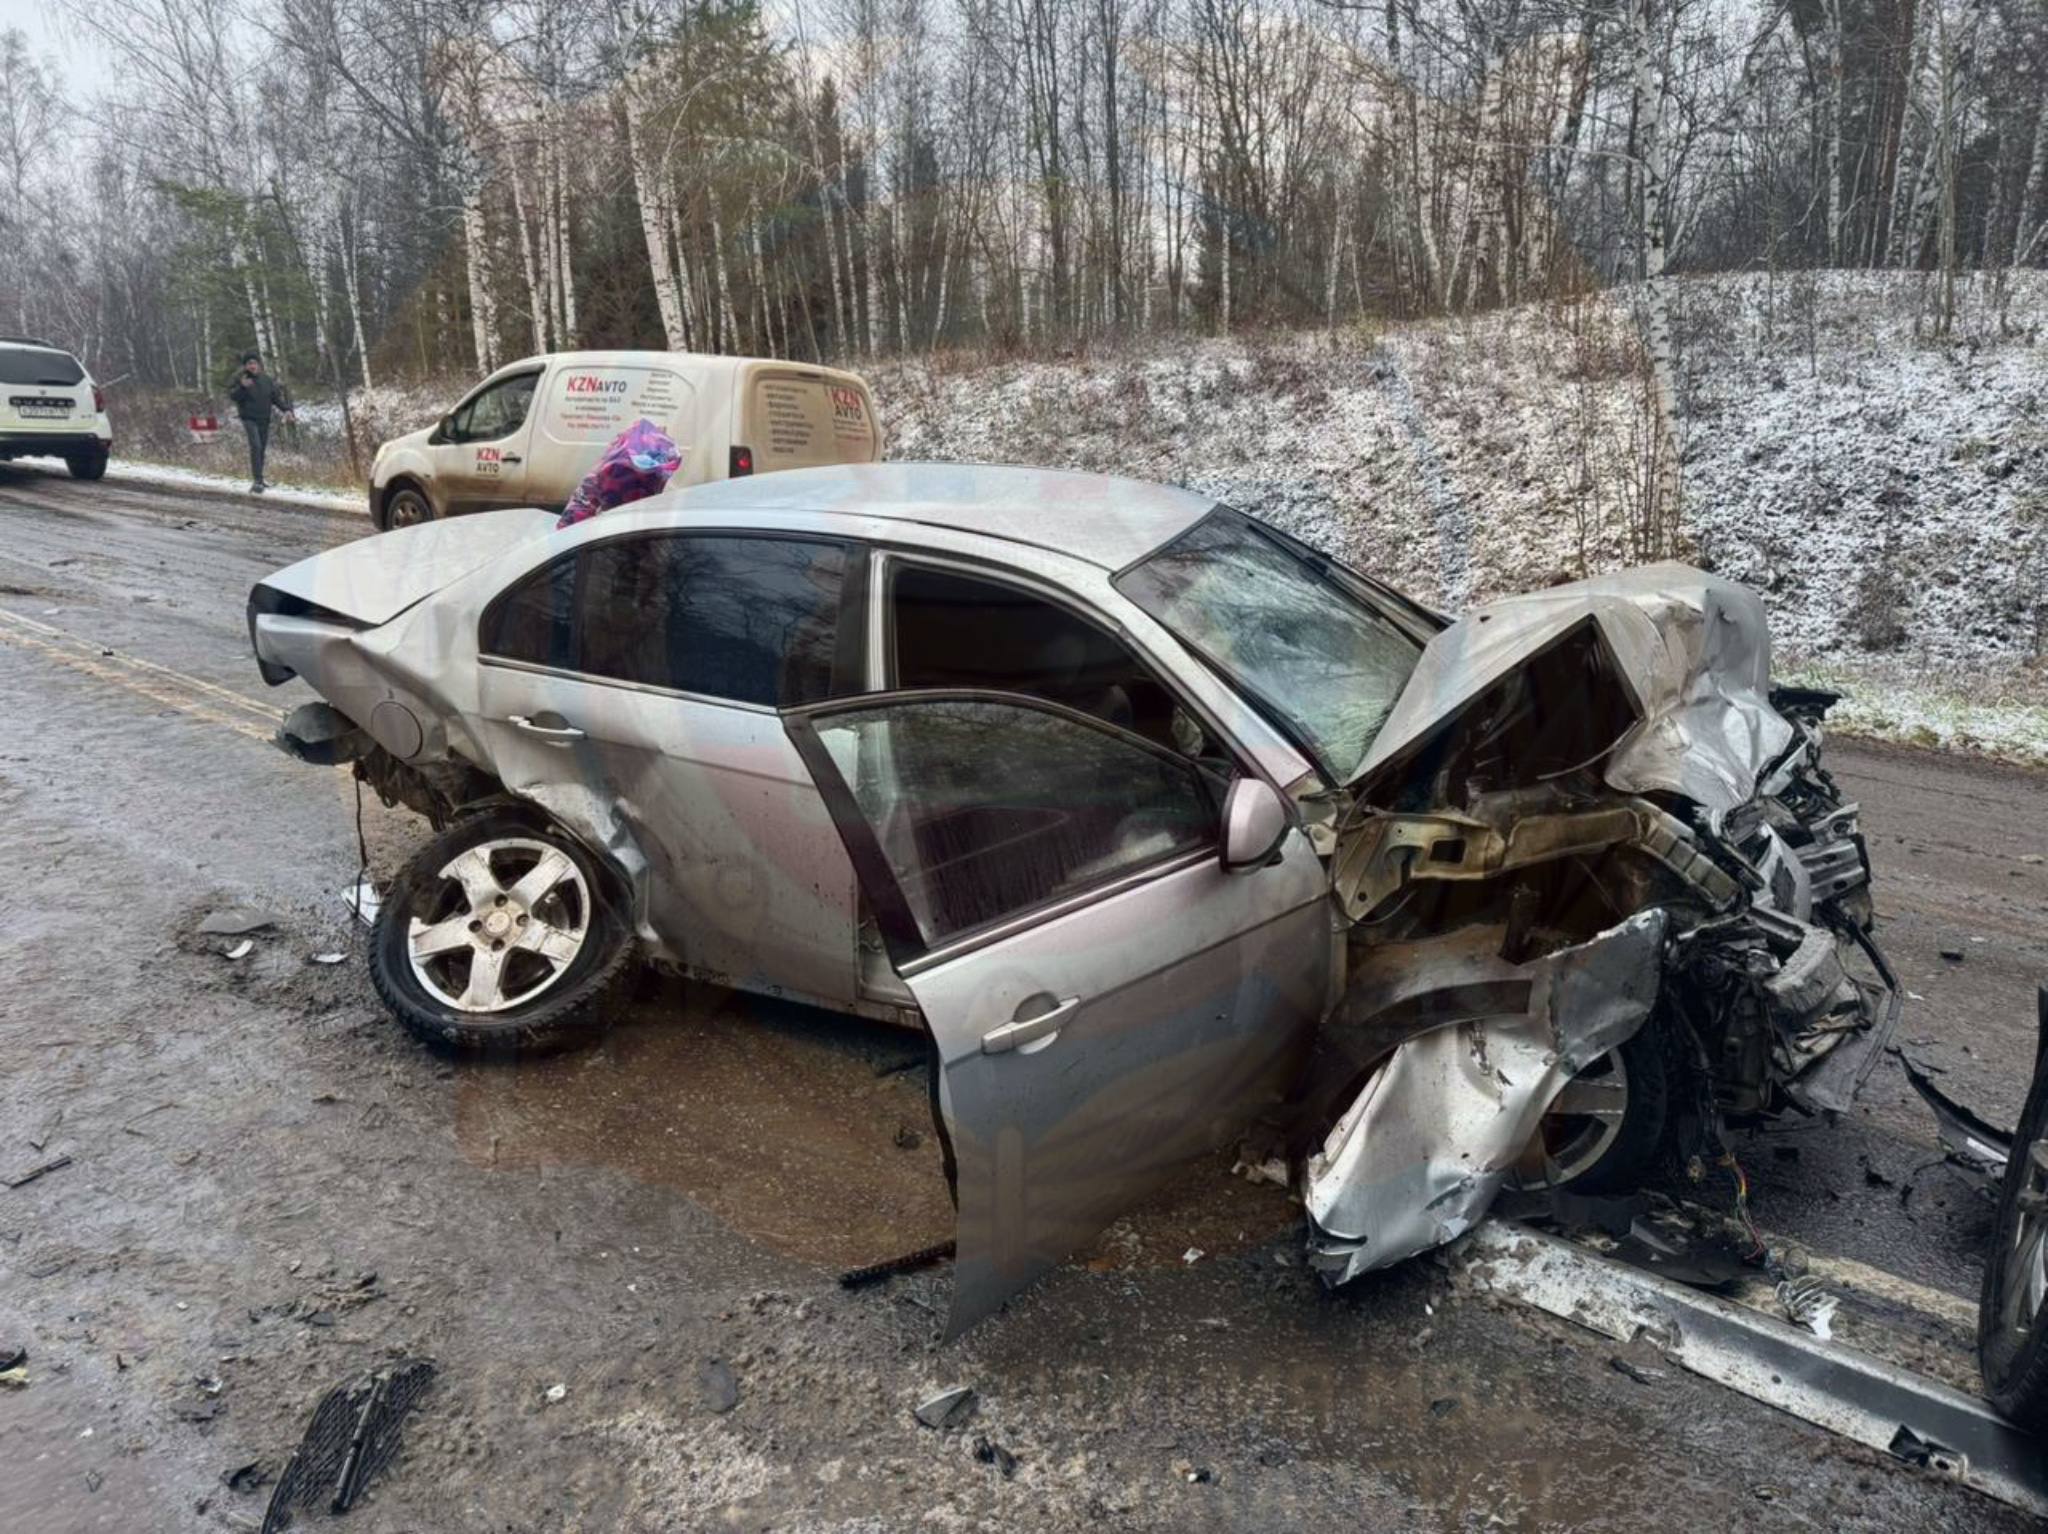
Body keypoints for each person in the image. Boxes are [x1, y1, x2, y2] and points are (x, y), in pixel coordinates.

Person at [228, 351, 295, 494]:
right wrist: (242, 387)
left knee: (262, 449)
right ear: (245, 366)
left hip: (264, 418)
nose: (252, 366)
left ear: (259, 365)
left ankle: (259, 479)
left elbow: (276, 398)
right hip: (249, 418)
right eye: (248, 363)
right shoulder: (241, 379)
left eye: (254, 363)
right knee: (256, 446)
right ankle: (257, 481)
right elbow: (233, 396)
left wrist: (287, 410)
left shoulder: (267, 380)